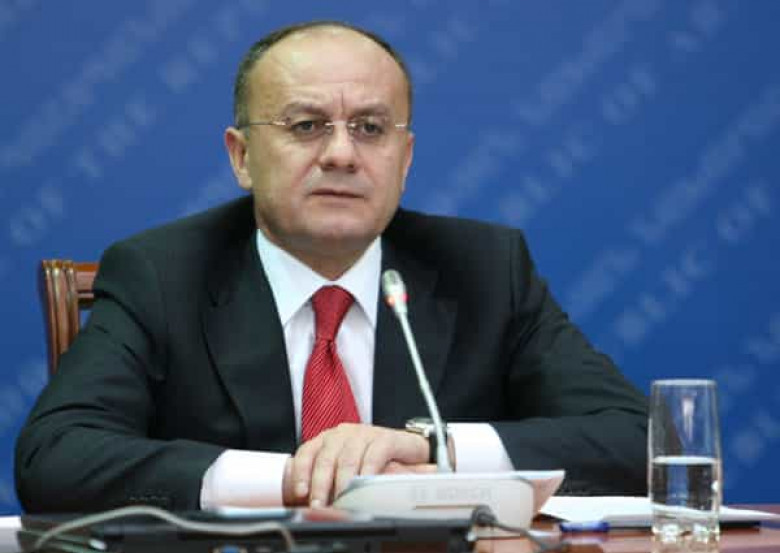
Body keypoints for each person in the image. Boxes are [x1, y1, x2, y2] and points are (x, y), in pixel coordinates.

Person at [15, 20, 648, 513]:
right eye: (307, 125)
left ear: (405, 159)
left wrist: (431, 447)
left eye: (370, 128)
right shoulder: (161, 274)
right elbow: (56, 458)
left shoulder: (484, 269)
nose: (342, 154)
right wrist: (295, 479)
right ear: (241, 156)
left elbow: (638, 440)